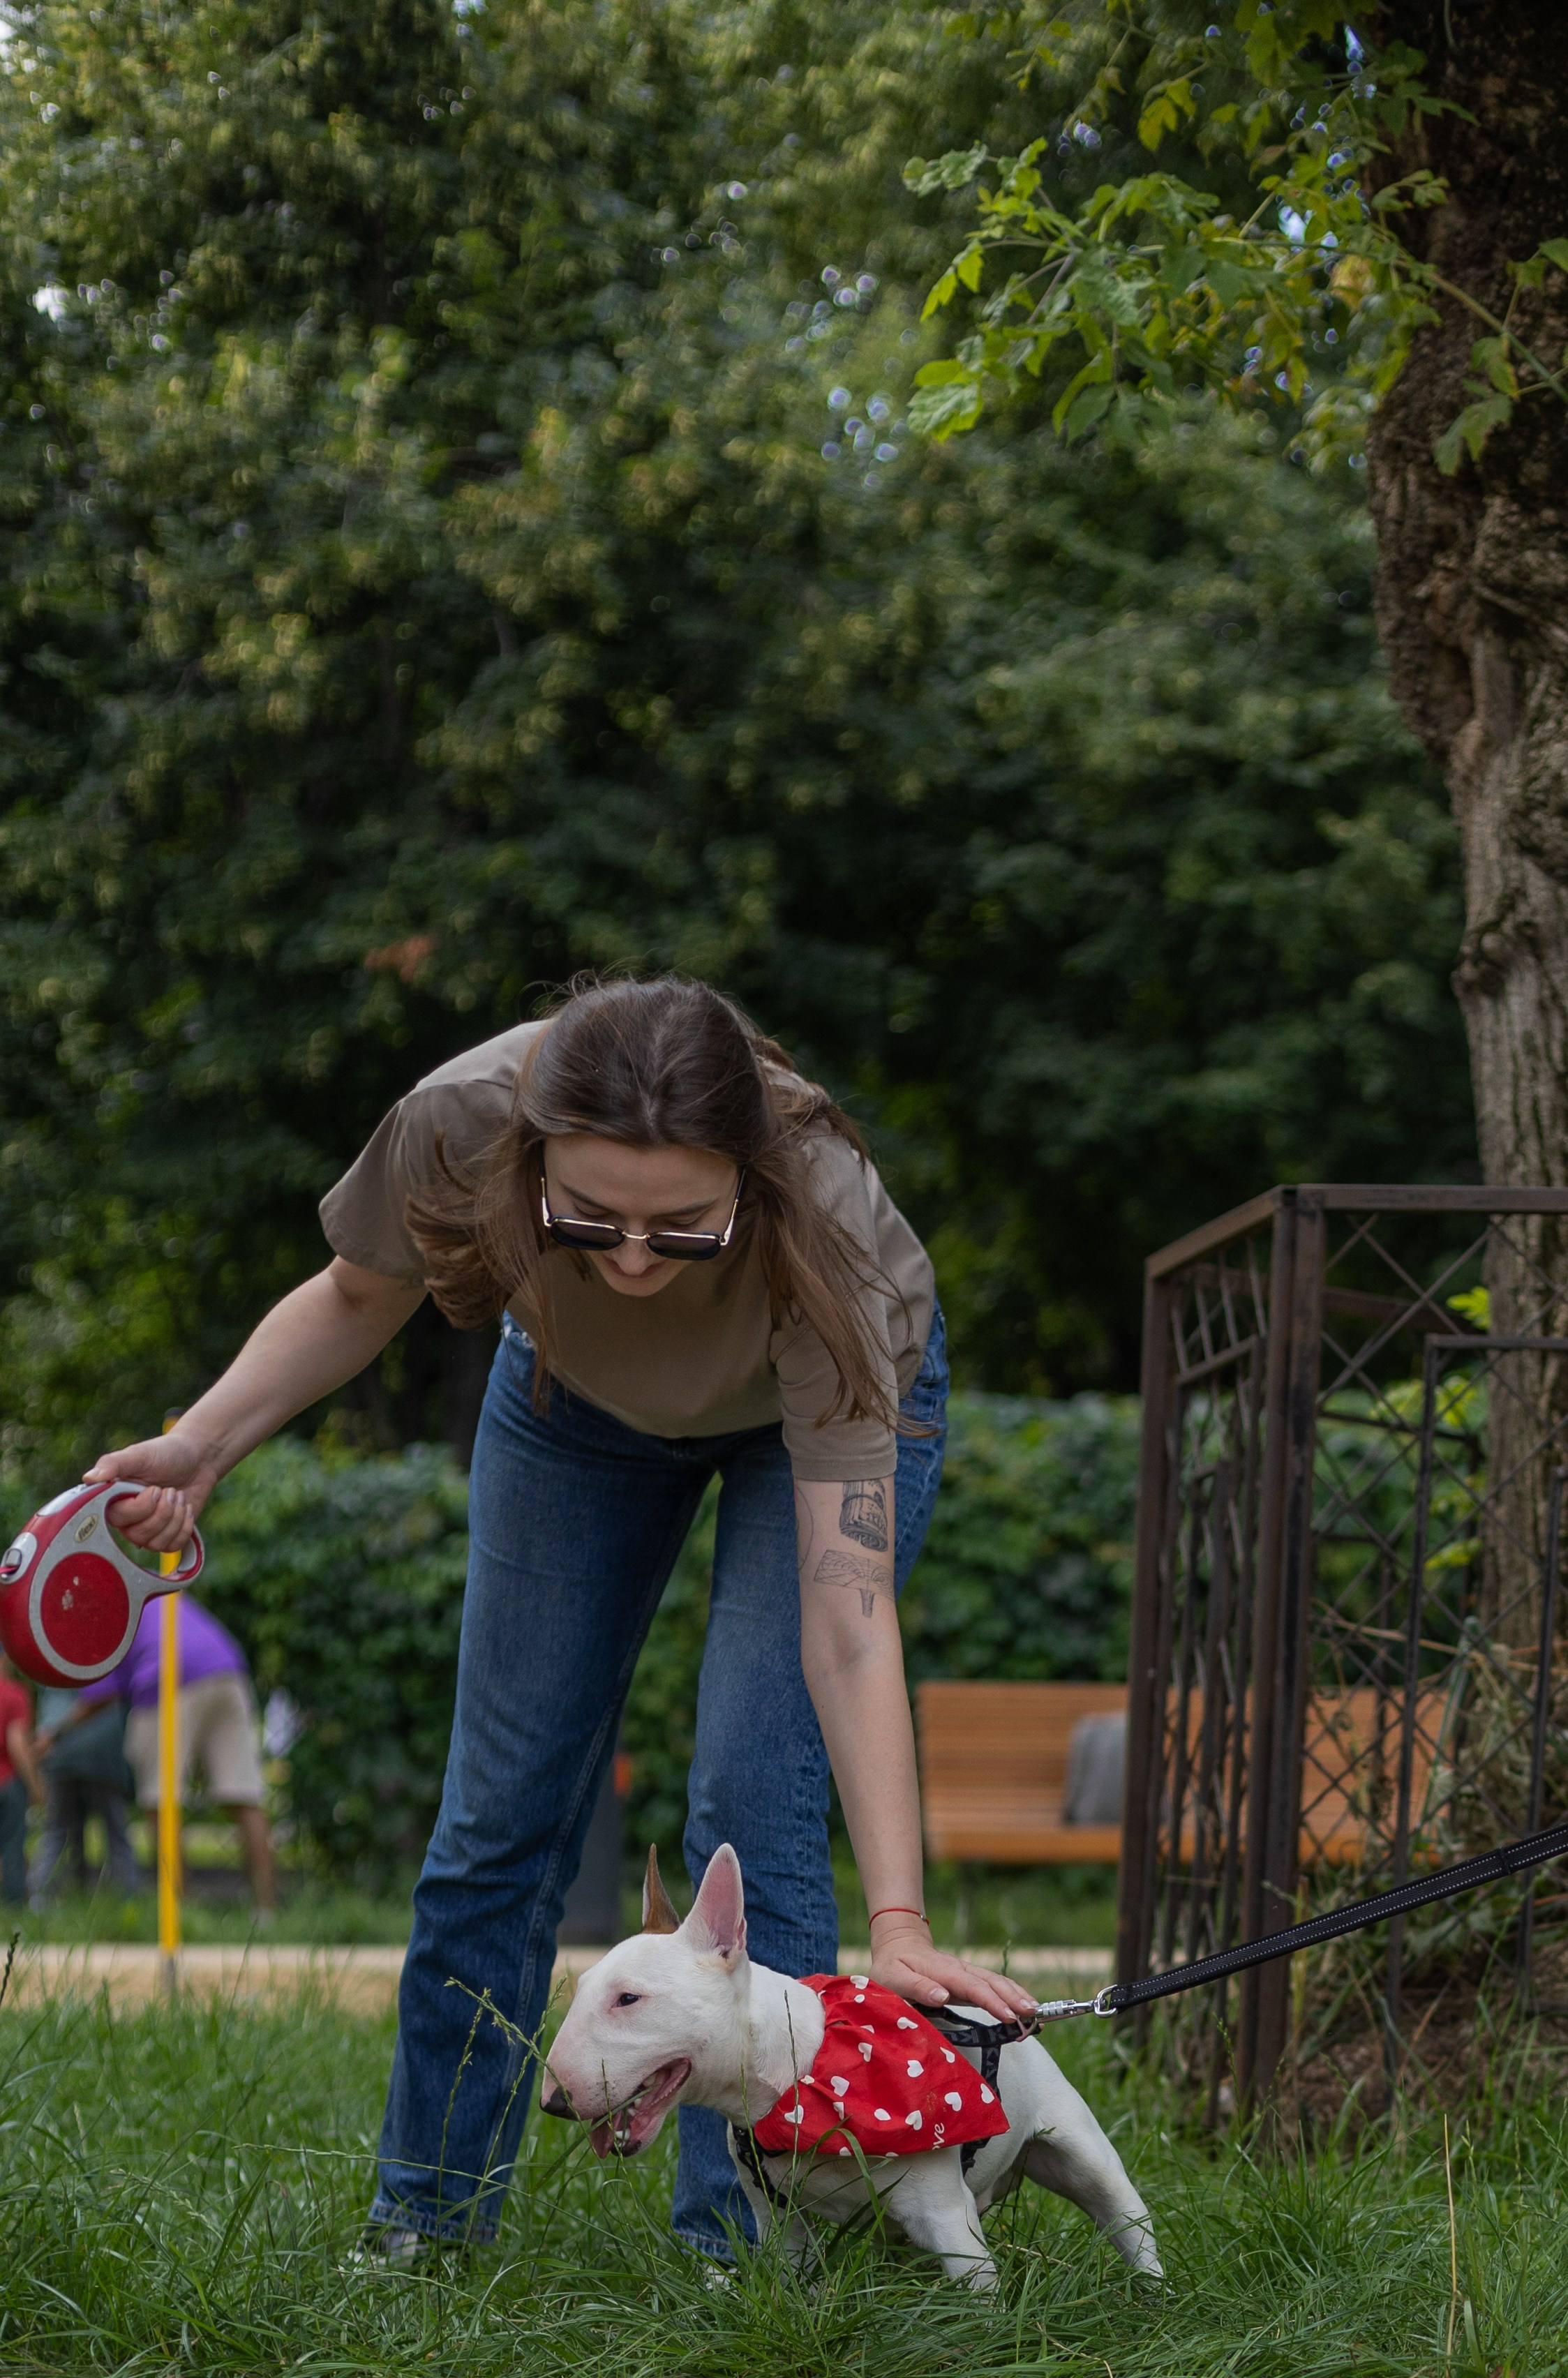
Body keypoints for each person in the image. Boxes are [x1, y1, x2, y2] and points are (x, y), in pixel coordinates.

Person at [89, 975, 1036, 2262]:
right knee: (501, 1810)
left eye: (682, 1226)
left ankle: (745, 2254)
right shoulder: (458, 1119)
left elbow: (848, 1621)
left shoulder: (831, 1228)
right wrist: (203, 1443)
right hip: (576, 1407)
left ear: (749, 1182)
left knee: (748, 1804)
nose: (634, 1258)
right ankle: (424, 2220)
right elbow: (361, 1293)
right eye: (589, 1217)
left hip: (809, 1405)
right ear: (528, 1154)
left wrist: (900, 1926)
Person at [45, 1595, 276, 1914]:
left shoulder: (106, 1614)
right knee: (244, 1794)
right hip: (228, 1670)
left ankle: (180, 1912)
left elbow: (101, 1695)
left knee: (161, 1801)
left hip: (164, 1677)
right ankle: (265, 1909)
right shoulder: (151, 1590)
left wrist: (52, 1734)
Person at [30, 1685, 142, 1904]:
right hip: (104, 1759)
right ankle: (128, 1900)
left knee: (57, 1831)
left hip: (62, 1759)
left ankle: (39, 1898)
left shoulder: (56, 1671)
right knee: (115, 1830)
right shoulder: (108, 1666)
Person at [0, 1656, 43, 1904]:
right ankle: (15, 1910)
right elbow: (16, 1743)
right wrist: (35, 1787)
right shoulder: (13, 1694)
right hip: (7, 1783)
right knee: (13, 1849)